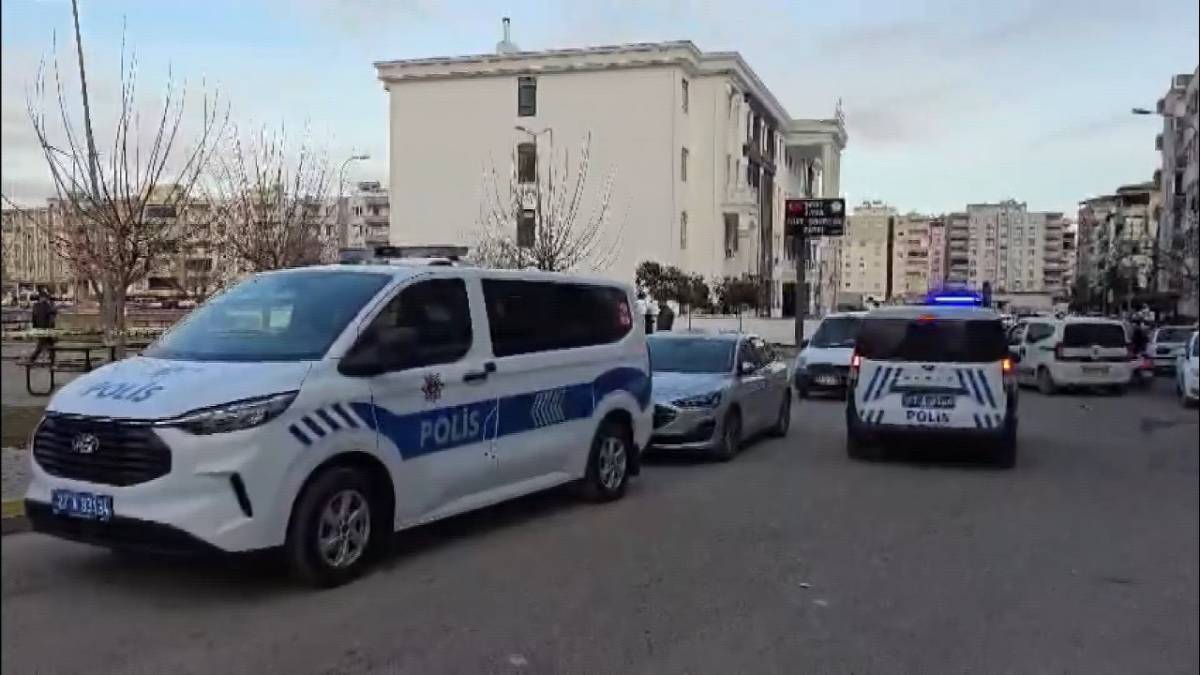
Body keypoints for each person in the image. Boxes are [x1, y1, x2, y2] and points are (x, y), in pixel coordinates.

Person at [29, 289, 57, 362]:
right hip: (46, 328)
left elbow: (33, 319)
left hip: (40, 328)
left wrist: (34, 328)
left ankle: (52, 358)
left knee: (48, 344)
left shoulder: (36, 306)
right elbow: (53, 314)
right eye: (46, 297)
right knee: (43, 345)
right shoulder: (47, 306)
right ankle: (32, 358)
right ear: (44, 298)